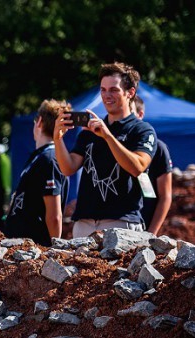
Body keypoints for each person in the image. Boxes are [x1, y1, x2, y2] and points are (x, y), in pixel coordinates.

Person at [54, 62, 156, 238]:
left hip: (122, 223)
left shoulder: (142, 130)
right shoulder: (90, 130)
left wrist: (108, 136)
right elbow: (67, 168)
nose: (107, 95)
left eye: (114, 90)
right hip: (84, 224)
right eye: (103, 90)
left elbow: (137, 167)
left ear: (130, 92)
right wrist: (57, 139)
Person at [2, 100, 69, 246]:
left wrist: (53, 248)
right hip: (21, 243)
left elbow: (54, 215)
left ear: (39, 122)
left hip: (33, 246)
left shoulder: (50, 158)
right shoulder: (40, 156)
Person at [133, 95, 173, 235]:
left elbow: (165, 196)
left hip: (143, 225)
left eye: (129, 114)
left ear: (140, 114)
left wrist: (151, 233)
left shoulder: (158, 148)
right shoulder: (114, 144)